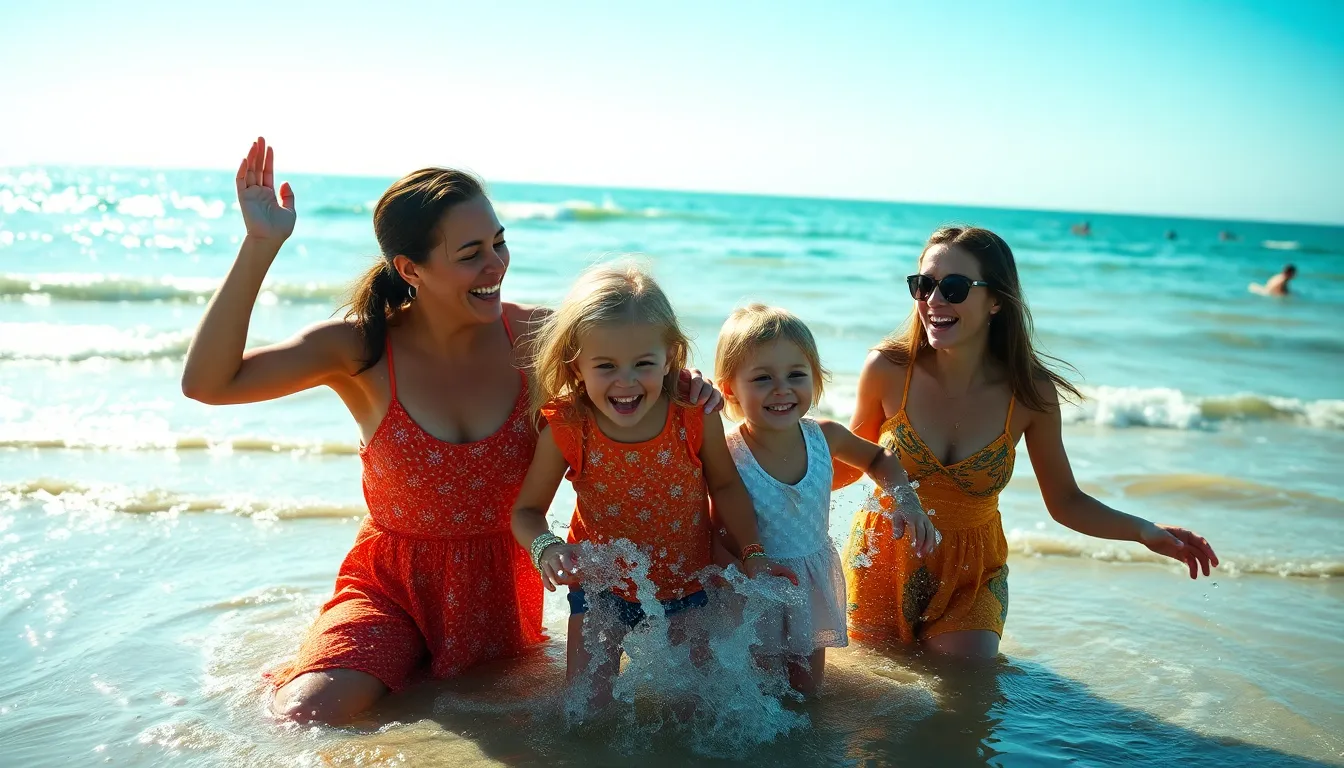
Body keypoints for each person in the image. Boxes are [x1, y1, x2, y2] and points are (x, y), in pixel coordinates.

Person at [181, 139, 720, 724]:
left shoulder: (540, 338)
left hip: (497, 595)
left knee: (483, 725)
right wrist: (261, 245)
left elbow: (632, 362)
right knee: (309, 713)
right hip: (390, 587)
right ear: (411, 269)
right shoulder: (360, 347)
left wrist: (687, 384)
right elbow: (209, 383)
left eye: (499, 242)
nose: (497, 264)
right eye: (471, 254)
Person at [835, 226, 1219, 659]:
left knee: (968, 684)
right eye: (922, 285)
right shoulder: (888, 368)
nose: (933, 300)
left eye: (954, 287)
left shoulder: (1030, 393)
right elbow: (853, 464)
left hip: (972, 572)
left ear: (996, 300)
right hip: (885, 558)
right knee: (878, 699)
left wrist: (1144, 531)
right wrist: (756, 471)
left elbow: (1066, 501)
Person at [510, 264, 796, 711]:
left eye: (643, 363)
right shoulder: (568, 426)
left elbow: (724, 484)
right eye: (605, 366)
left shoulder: (692, 413)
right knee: (587, 710)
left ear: (670, 356)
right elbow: (526, 512)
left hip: (687, 584)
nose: (626, 381)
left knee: (690, 711)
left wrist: (753, 554)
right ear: (575, 364)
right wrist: (545, 548)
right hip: (600, 586)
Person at [713, 304, 937, 694]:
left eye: (796, 375)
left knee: (806, 690)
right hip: (751, 587)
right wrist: (735, 570)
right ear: (731, 389)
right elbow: (711, 528)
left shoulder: (824, 437)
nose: (782, 389)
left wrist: (907, 501)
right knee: (754, 692)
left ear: (815, 380)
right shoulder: (728, 454)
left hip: (810, 580)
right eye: (763, 378)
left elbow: (878, 457)